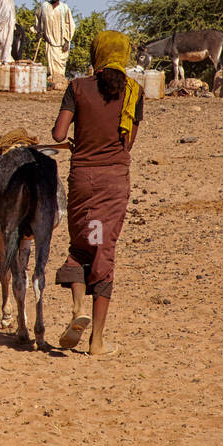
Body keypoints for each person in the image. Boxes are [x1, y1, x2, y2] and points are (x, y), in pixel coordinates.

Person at [50, 30, 144, 357]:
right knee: (104, 249)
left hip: (82, 180)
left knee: (81, 245)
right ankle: (98, 342)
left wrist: (78, 139)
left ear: (96, 54)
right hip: (114, 182)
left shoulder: (77, 87)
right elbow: (127, 143)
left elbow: (59, 133)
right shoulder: (134, 92)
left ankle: (78, 308)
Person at [35, 0, 75, 87]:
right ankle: (53, 80)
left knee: (60, 64)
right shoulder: (44, 6)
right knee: (51, 64)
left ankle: (60, 80)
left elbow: (70, 24)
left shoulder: (64, 8)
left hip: (61, 42)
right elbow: (38, 18)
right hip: (49, 41)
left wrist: (67, 40)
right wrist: (39, 31)